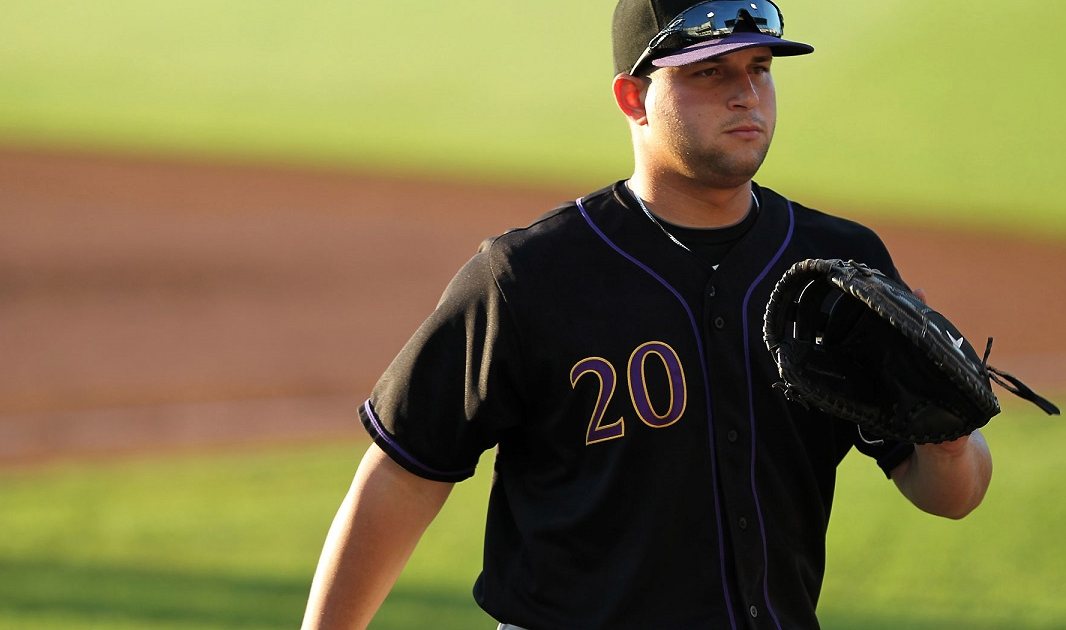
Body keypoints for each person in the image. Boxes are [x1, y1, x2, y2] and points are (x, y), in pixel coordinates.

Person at [302, 1, 993, 628]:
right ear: (633, 97)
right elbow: (403, 471)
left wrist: (947, 439)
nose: (745, 93)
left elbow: (950, 494)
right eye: (708, 72)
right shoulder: (530, 277)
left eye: (758, 68)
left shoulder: (834, 269)